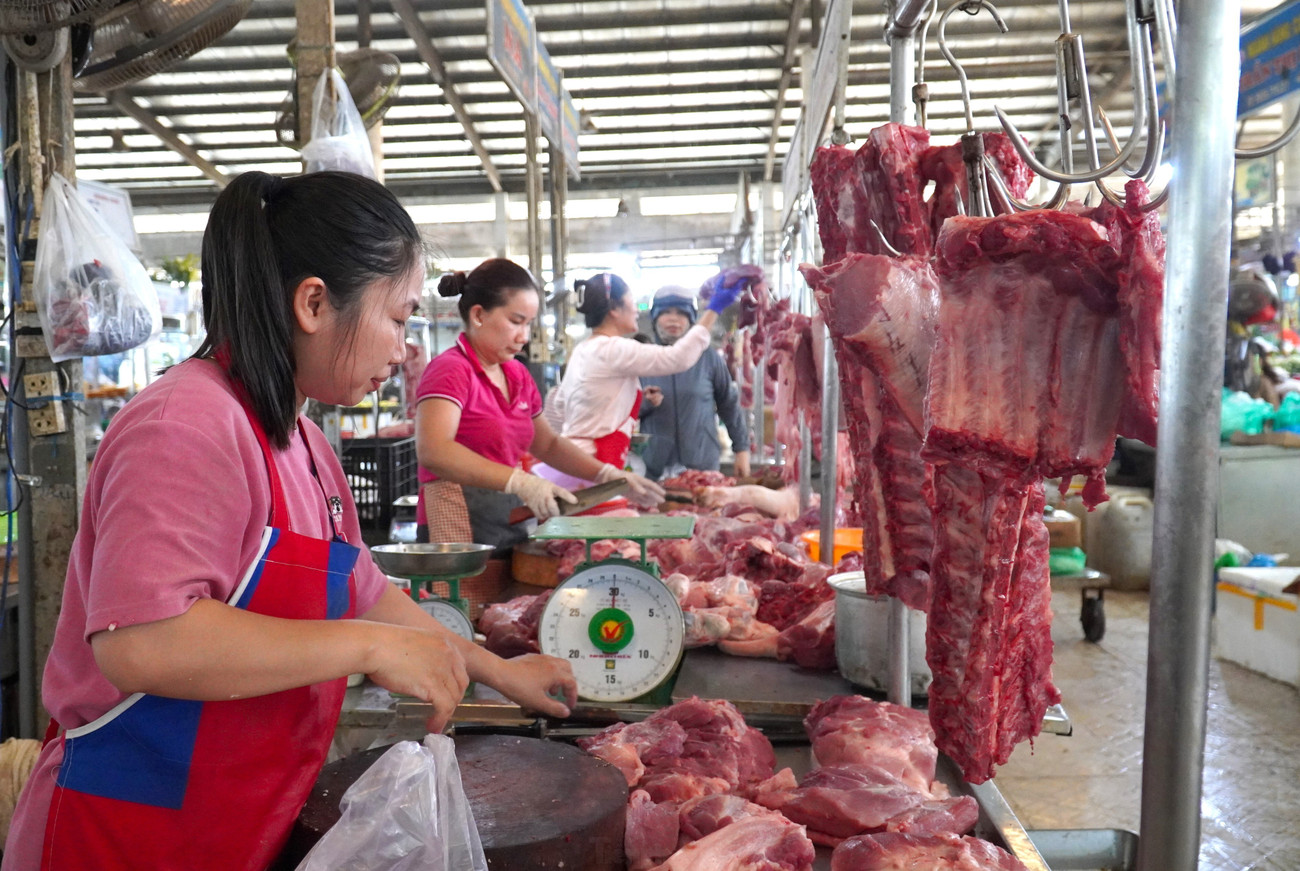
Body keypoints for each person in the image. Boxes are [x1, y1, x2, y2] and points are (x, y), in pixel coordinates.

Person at [2, 172, 577, 871]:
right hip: (125, 836)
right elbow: (142, 642)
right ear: (313, 303)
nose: (404, 349)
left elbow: (363, 590)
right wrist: (368, 648)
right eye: (398, 318)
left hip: (236, 824)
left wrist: (498, 671)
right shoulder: (183, 424)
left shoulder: (301, 441)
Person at [414, 259, 662, 550]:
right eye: (515, 321)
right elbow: (434, 451)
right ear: (478, 314)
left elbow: (548, 445)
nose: (524, 336)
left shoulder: (517, 374)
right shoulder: (451, 370)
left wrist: (607, 475)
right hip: (455, 527)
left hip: (508, 519)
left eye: (529, 323)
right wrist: (521, 482)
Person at [534, 272, 746, 491]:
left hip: (577, 463)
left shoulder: (583, 350)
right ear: (615, 309)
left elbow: (559, 405)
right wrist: (714, 309)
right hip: (594, 467)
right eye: (632, 301)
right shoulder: (614, 349)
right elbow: (678, 358)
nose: (636, 310)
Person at [639, 284, 751, 481]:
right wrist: (644, 403)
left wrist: (741, 449)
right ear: (655, 318)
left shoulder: (708, 358)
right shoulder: (642, 358)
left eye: (681, 313)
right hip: (653, 469)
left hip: (702, 466)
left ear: (691, 320)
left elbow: (728, 404)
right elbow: (622, 411)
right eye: (666, 312)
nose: (673, 319)